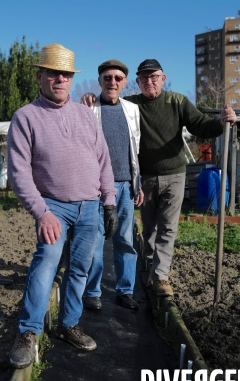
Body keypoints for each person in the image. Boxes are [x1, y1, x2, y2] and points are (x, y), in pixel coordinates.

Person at [82, 59, 237, 297]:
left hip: (174, 174)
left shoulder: (177, 102)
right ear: (136, 82)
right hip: (144, 177)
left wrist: (221, 122)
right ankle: (148, 269)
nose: (149, 82)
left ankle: (160, 276)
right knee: (149, 230)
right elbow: (109, 101)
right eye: (144, 79)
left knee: (167, 228)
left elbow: (200, 125)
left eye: (154, 77)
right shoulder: (131, 105)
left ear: (163, 79)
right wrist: (91, 98)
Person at [7, 43, 118, 369]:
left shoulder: (85, 115)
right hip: (54, 207)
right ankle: (28, 332)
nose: (59, 79)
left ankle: (68, 324)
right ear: (40, 76)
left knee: (81, 269)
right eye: (53, 73)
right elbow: (18, 173)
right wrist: (42, 212)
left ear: (71, 79)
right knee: (45, 266)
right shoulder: (26, 117)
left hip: (89, 207)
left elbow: (103, 161)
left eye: (65, 74)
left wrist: (109, 202)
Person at [82, 60, 143, 311]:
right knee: (95, 241)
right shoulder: (87, 108)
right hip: (96, 187)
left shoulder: (132, 110)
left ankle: (125, 290)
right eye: (107, 78)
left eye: (118, 78)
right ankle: (93, 291)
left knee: (125, 239)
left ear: (125, 82)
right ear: (100, 81)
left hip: (127, 186)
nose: (113, 82)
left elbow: (136, 150)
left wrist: (138, 183)